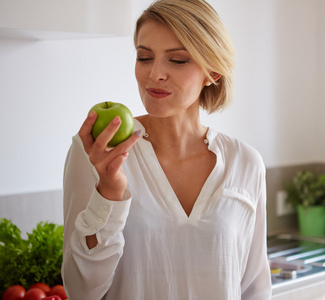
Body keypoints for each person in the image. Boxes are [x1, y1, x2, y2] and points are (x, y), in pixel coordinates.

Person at [61, 0, 272, 299]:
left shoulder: (245, 162)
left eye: (178, 60)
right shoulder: (97, 152)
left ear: (212, 71)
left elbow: (255, 289)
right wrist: (108, 192)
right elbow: (81, 290)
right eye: (144, 57)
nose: (155, 74)